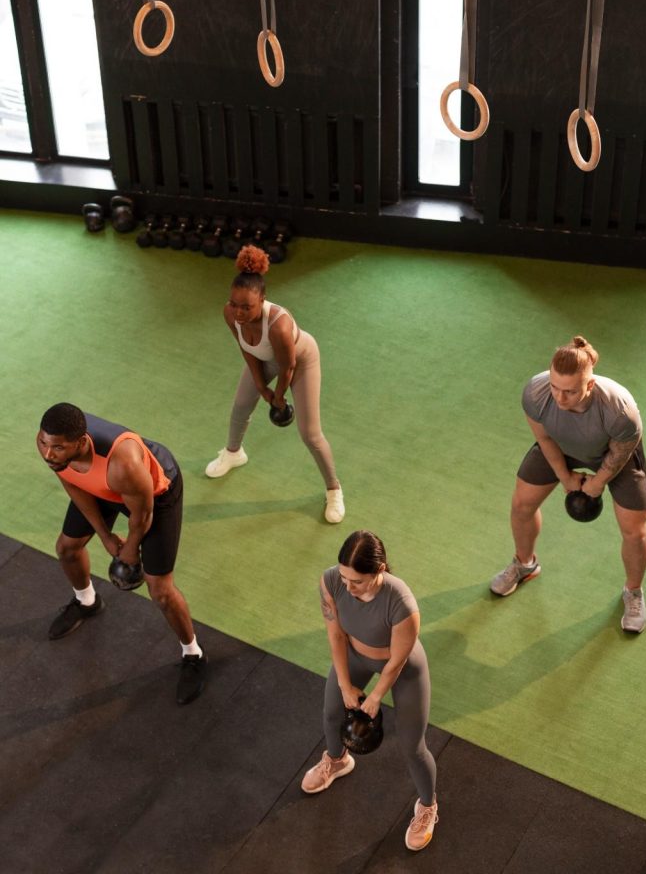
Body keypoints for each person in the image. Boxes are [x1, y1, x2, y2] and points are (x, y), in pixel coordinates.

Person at [36, 403, 208, 704]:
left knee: (161, 590)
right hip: (101, 487)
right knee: (66, 548)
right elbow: (73, 483)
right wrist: (104, 536)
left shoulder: (123, 464)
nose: (49, 454)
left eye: (57, 448)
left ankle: (193, 654)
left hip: (153, 495)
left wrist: (129, 552)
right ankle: (87, 602)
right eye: (45, 444)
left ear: (81, 442)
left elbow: (141, 517)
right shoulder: (52, 446)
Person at [490, 335, 646, 633]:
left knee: (634, 530)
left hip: (613, 455)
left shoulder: (620, 411)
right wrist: (565, 477)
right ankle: (524, 564)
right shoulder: (536, 394)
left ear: (589, 385)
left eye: (569, 392)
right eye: (555, 388)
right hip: (561, 446)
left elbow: (619, 454)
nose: (559, 399)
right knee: (521, 504)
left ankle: (634, 592)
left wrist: (596, 484)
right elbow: (545, 438)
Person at [301, 530, 438, 852]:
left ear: (380, 571)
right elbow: (336, 636)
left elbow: (396, 662)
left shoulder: (401, 603)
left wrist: (375, 697)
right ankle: (336, 760)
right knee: (333, 712)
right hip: (354, 656)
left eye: (357, 581)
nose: (348, 586)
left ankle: (428, 807)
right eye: (345, 577)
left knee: (412, 745)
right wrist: (345, 684)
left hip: (402, 670)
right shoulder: (331, 581)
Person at [205, 245, 345, 524]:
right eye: (235, 304)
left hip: (299, 359)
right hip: (265, 358)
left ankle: (334, 489)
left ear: (263, 300)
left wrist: (278, 397)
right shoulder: (230, 314)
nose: (239, 312)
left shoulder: (279, 325)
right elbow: (246, 349)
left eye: (247, 307)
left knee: (310, 433)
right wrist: (260, 386)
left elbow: (288, 366)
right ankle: (234, 453)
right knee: (240, 406)